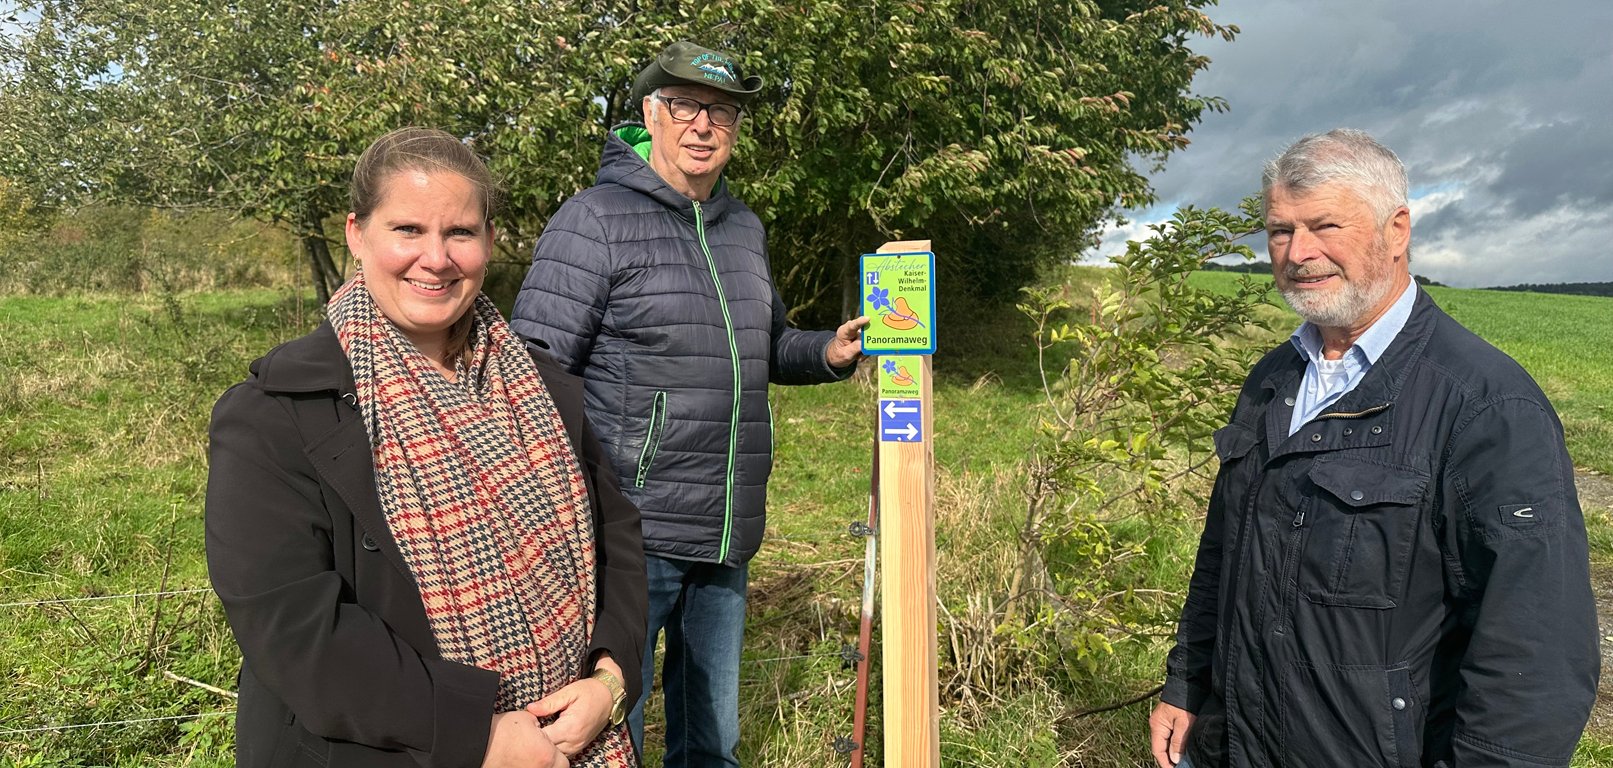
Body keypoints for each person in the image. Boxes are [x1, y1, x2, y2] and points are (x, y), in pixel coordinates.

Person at [1148, 129, 1598, 768]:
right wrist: (1187, 685)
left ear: (1397, 230)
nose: (1299, 252)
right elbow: (1224, 552)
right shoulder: (1273, 380)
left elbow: (1536, 650)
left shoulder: (1486, 407)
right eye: (1280, 230)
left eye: (1325, 225)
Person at [206, 127, 647, 768]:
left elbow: (618, 537)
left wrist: (609, 678)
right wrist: (479, 734)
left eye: (460, 233)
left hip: (576, 741)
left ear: (490, 244)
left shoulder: (545, 386)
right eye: (407, 230)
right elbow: (294, 627)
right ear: (358, 234)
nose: (435, 258)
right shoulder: (275, 416)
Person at [510, 41, 868, 766]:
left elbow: (760, 345)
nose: (703, 125)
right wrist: (568, 506)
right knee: (614, 733)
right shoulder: (594, 219)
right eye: (685, 106)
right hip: (631, 534)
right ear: (651, 113)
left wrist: (826, 352)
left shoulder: (744, 229)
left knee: (714, 741)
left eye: (723, 112)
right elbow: (534, 372)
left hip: (728, 527)